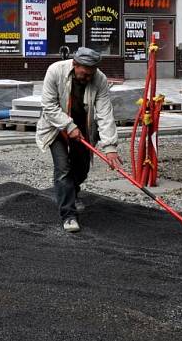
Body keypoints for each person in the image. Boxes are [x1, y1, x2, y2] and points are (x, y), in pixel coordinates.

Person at [36, 47, 122, 233]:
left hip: (84, 127)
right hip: (56, 127)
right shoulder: (55, 71)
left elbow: (105, 113)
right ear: (75, 65)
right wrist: (68, 126)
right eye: (85, 73)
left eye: (91, 74)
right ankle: (69, 215)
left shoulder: (100, 79)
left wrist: (110, 146)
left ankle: (70, 192)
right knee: (63, 169)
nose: (88, 78)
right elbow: (48, 106)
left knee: (82, 169)